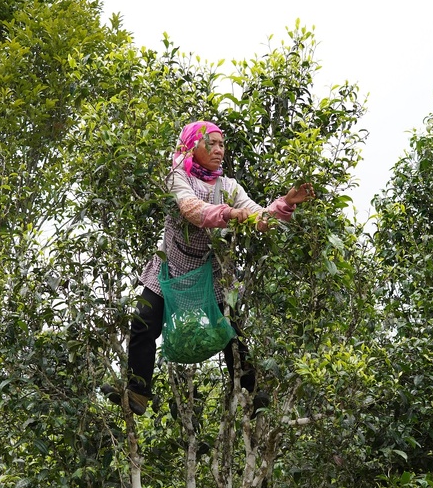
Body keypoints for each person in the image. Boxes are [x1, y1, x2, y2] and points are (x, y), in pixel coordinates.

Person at [108, 120, 315, 414]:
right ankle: (138, 392)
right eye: (211, 143)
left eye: (221, 144)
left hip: (210, 272)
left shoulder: (228, 186)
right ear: (192, 146)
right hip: (170, 268)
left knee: (232, 332)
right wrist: (229, 213)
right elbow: (191, 209)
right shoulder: (177, 175)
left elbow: (260, 218)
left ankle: (252, 393)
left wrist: (285, 203)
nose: (219, 150)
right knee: (143, 323)